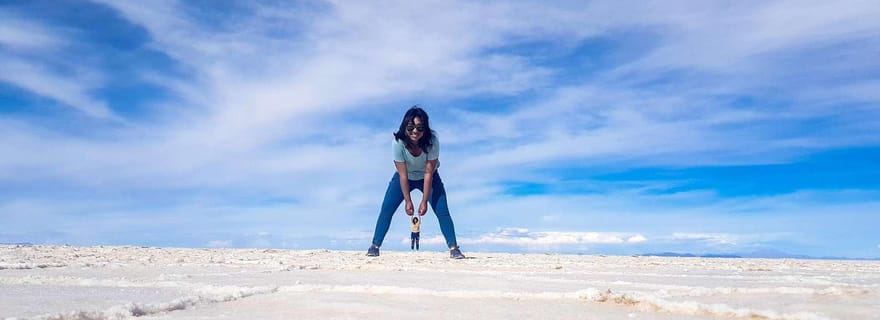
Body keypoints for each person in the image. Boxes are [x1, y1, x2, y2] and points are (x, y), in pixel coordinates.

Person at [367, 106, 465, 259]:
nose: (415, 131)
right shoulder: (398, 143)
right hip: (405, 176)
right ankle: (374, 246)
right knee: (387, 208)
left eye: (419, 127)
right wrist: (408, 201)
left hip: (430, 177)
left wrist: (424, 201)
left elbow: (428, 173)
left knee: (442, 211)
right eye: (411, 127)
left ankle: (454, 248)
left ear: (425, 128)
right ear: (405, 127)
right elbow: (403, 175)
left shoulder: (432, 142)